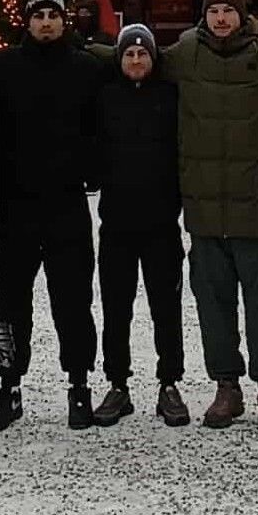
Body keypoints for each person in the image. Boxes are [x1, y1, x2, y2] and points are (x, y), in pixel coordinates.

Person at [162, 0, 258, 432]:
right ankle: (226, 386)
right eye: (214, 12)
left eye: (229, 11)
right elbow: (136, 60)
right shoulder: (186, 53)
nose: (221, 19)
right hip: (205, 211)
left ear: (243, 16)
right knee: (213, 304)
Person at [0, 0, 106, 433]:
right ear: (27, 22)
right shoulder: (0, 67)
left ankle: (79, 383)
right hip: (15, 206)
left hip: (66, 204)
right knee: (10, 303)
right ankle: (8, 386)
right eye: (39, 16)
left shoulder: (86, 68)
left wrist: (93, 169)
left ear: (64, 20)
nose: (47, 22)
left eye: (54, 15)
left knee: (73, 300)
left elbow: (108, 114)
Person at [92, 23, 192, 426]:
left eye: (143, 54)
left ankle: (169, 382)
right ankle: (118, 383)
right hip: (116, 223)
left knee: (165, 307)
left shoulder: (170, 96)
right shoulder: (105, 97)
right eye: (129, 54)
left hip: (161, 223)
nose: (136, 60)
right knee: (116, 309)